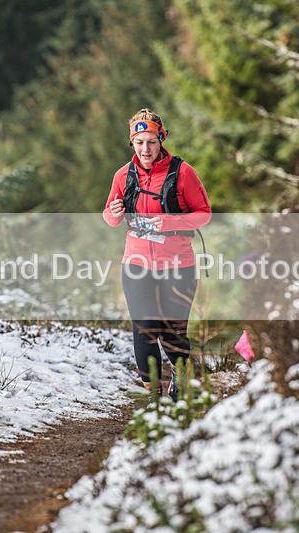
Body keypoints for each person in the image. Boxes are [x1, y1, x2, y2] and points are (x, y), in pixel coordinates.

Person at [102, 108, 211, 400]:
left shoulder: (183, 173)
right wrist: (114, 213)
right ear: (132, 143)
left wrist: (170, 222)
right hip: (136, 263)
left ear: (161, 139)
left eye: (151, 141)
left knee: (173, 330)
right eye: (139, 142)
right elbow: (110, 216)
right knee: (145, 328)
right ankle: (153, 395)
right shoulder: (123, 175)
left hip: (178, 264)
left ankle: (179, 378)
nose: (145, 149)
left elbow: (204, 214)